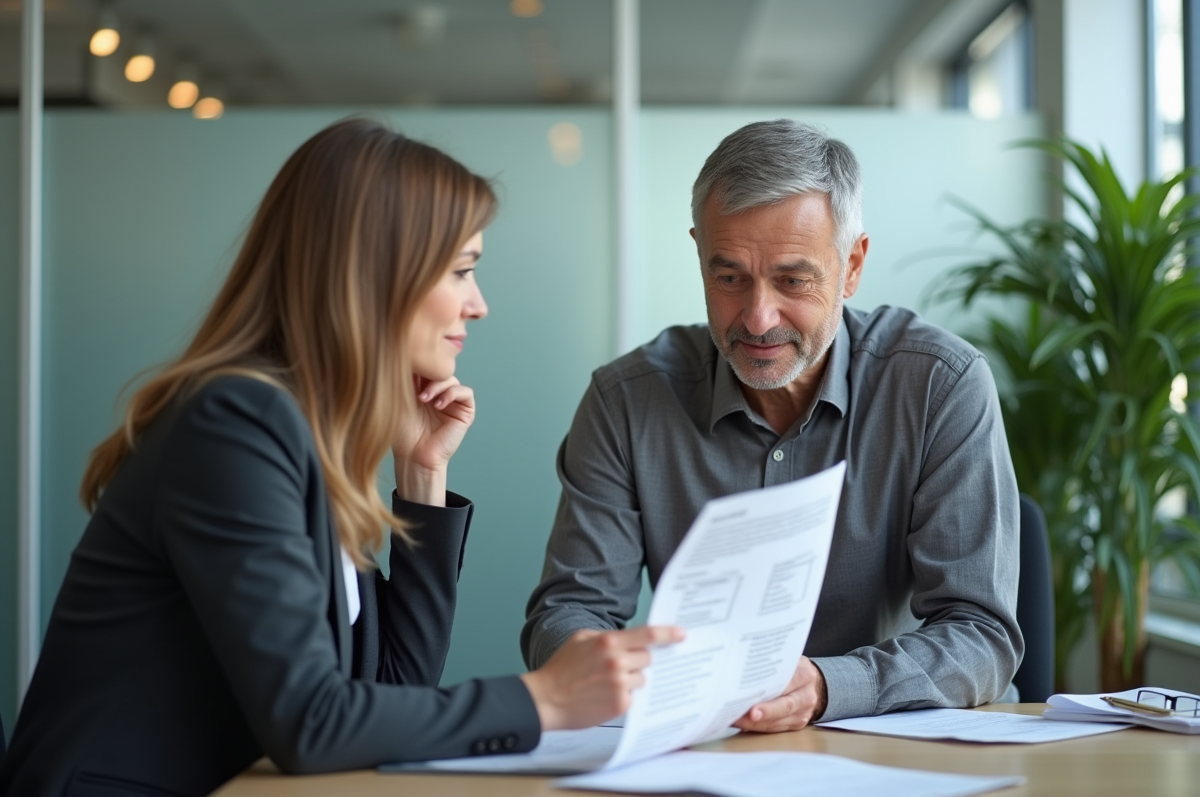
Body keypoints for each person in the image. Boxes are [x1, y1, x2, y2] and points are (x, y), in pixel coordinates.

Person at [0, 118, 681, 797]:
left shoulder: (306, 435)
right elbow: (313, 723)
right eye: (462, 271)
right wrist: (544, 700)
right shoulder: (235, 424)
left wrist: (421, 474)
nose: (479, 304)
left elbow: (389, 687)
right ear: (375, 276)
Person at [522, 118, 1022, 731]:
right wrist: (600, 664)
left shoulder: (939, 385)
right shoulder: (625, 401)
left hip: (882, 749)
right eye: (728, 276)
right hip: (699, 746)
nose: (757, 319)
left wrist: (826, 684)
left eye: (792, 280)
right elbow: (568, 612)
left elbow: (980, 636)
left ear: (852, 265)